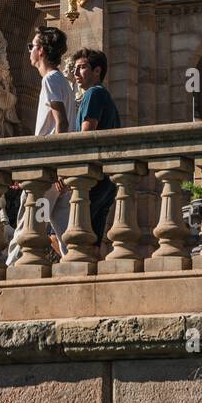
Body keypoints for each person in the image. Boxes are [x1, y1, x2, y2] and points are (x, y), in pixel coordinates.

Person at [4, 27, 76, 264]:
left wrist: (55, 165)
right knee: (68, 234)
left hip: (48, 171)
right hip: (57, 174)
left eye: (31, 47)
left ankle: (9, 277)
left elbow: (61, 121)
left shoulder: (51, 80)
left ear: (41, 51)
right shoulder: (63, 82)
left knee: (26, 229)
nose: (29, 52)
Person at [71, 48, 121, 252]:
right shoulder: (104, 95)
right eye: (75, 68)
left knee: (73, 234)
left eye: (82, 67)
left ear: (97, 71)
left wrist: (69, 171)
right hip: (107, 178)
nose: (75, 73)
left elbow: (86, 136)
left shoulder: (93, 93)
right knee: (93, 240)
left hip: (92, 177)